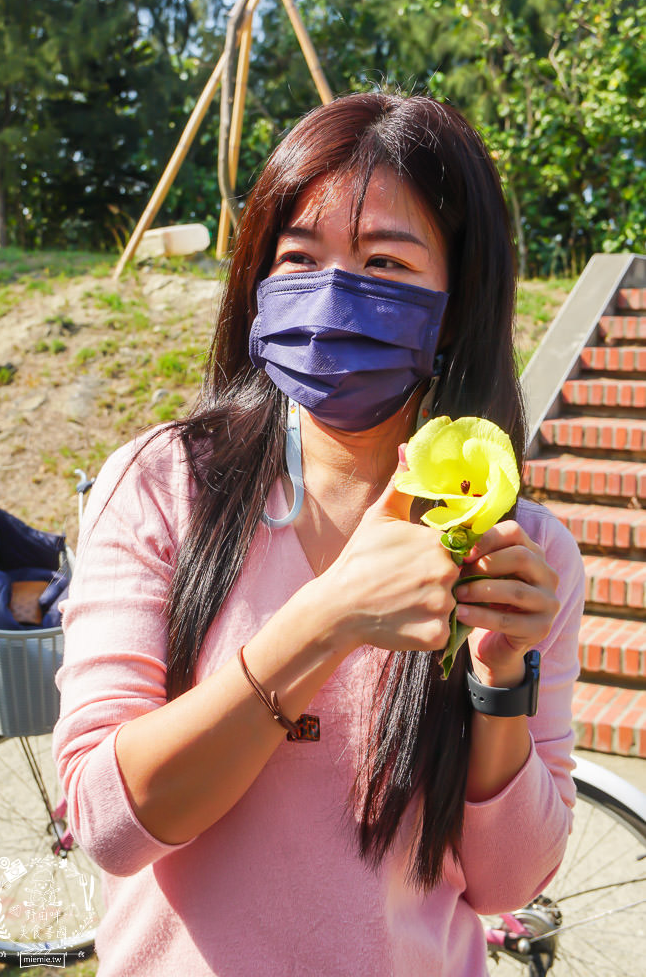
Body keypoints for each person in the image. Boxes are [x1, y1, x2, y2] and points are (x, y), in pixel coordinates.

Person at [53, 91, 584, 976]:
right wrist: (327, 618)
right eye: (299, 257)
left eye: (385, 262)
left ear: (455, 302)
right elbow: (107, 824)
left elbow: (507, 883)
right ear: (258, 287)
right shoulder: (163, 486)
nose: (334, 294)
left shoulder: (520, 550)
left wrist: (498, 678)